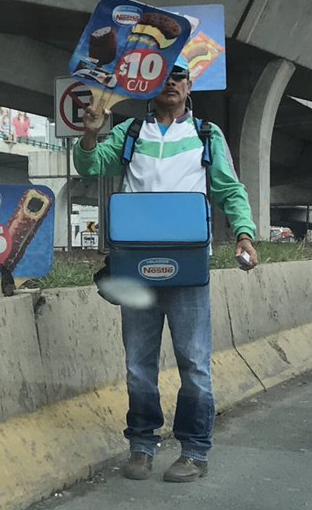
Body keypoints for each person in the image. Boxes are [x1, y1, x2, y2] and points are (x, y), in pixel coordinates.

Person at [74, 55, 259, 484]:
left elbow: (231, 190)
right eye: (163, 75)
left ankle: (194, 451)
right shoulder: (129, 132)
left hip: (189, 266)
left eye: (179, 75)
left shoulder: (206, 135)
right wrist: (89, 131)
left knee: (194, 363)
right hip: (134, 264)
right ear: (148, 85)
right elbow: (91, 165)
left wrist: (245, 235)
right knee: (138, 364)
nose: (171, 82)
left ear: (190, 86)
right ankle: (141, 447)